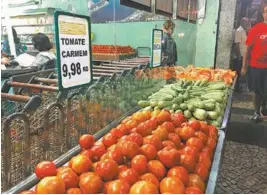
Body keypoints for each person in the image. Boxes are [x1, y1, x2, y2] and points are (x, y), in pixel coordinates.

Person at [241, 5, 267, 122]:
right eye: (266, 12)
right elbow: (247, 49)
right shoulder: (256, 29)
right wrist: (244, 67)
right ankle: (257, 112)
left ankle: (264, 107)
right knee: (257, 91)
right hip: (256, 67)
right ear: (263, 14)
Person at [233, 17, 250, 92]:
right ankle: (235, 88)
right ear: (243, 23)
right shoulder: (239, 31)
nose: (248, 24)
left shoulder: (244, 31)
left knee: (240, 72)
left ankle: (238, 88)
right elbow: (237, 45)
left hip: (243, 55)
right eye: (247, 23)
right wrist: (239, 56)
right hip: (239, 56)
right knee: (237, 72)